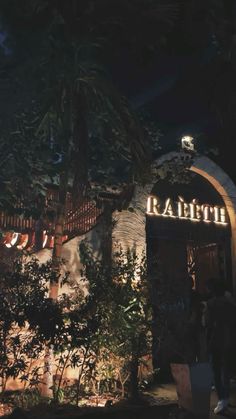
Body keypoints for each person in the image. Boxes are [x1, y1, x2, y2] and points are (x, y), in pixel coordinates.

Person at [206, 278, 236, 414]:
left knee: (216, 369)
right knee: (226, 370)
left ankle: (221, 398)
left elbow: (208, 324)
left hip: (216, 339)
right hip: (229, 339)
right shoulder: (231, 304)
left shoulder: (211, 304)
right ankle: (225, 397)